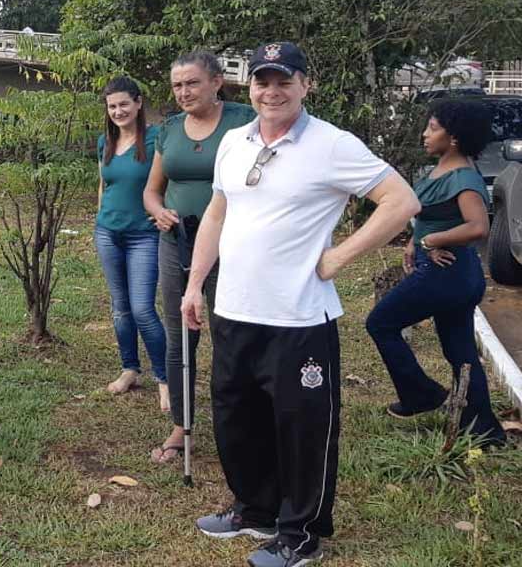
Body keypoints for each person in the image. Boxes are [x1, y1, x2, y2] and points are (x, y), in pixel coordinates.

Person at [181, 42, 419, 566]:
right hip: (235, 310)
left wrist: (338, 257)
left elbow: (402, 201)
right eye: (263, 81)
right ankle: (255, 509)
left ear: (306, 85)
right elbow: (218, 214)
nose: (272, 91)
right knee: (237, 418)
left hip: (298, 318)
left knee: (300, 427)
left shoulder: (332, 145)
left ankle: (300, 533)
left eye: (284, 81)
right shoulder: (234, 142)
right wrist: (196, 282)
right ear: (250, 87)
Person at [366, 99, 506, 445]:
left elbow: (477, 227)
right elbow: (432, 215)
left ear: (454, 137)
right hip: (452, 272)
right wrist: (417, 241)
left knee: (380, 323)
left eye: (433, 127)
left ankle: (421, 395)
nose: (425, 134)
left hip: (449, 272)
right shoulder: (443, 168)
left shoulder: (463, 177)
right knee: (460, 352)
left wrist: (431, 239)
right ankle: (484, 430)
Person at [143, 50, 257, 463]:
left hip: (232, 246)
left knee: (231, 335)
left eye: (192, 83)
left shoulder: (245, 120)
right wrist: (157, 211)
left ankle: (240, 422)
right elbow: (153, 189)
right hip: (176, 243)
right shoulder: (169, 129)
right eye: (177, 85)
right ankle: (181, 424)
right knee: (179, 335)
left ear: (215, 82)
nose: (184, 92)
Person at [94, 77, 168, 406]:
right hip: (108, 233)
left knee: (142, 309)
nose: (118, 111)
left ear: (138, 103)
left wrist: (164, 211)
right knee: (120, 309)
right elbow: (103, 185)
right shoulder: (104, 142)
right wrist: (99, 219)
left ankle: (165, 378)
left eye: (124, 104)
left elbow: (169, 180)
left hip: (144, 236)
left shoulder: (156, 139)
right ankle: (130, 368)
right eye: (112, 106)